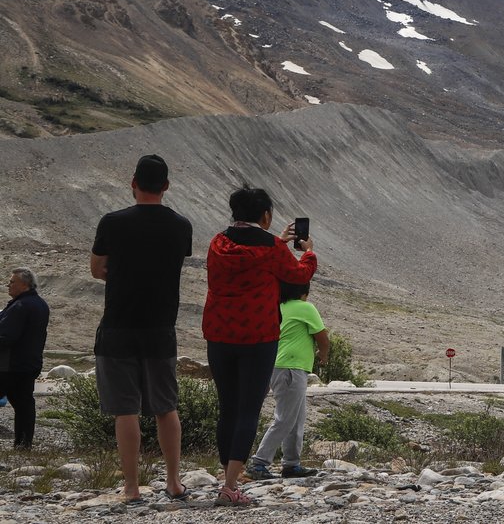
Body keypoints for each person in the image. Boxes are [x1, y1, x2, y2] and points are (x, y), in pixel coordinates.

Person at [203, 185, 317, 507]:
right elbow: (297, 276)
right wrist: (308, 251)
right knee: (248, 409)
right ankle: (229, 486)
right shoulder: (272, 249)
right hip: (258, 337)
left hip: (219, 334)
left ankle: (227, 475)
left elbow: (251, 258)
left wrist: (277, 242)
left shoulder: (217, 242)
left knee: (227, 407)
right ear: (266, 216)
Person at [90, 154, 193, 505]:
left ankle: (132, 487)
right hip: (161, 325)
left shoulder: (112, 222)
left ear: (133, 182)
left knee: (125, 409)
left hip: (118, 323)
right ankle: (174, 482)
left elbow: (97, 268)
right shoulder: (181, 225)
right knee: (166, 406)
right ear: (166, 186)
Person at [247, 281, 330, 480]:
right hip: (291, 368)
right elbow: (322, 337)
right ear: (304, 293)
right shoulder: (306, 308)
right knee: (285, 418)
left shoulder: (278, 306)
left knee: (296, 418)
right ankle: (259, 463)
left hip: (279, 366)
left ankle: (291, 464)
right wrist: (324, 354)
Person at [0, 268, 49, 449]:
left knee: (23, 404)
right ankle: (23, 444)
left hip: (10, 365)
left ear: (24, 284)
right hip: (29, 364)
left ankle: (22, 444)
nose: (9, 285)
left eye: (12, 282)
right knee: (24, 405)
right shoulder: (39, 304)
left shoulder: (21, 306)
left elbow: (6, 336)